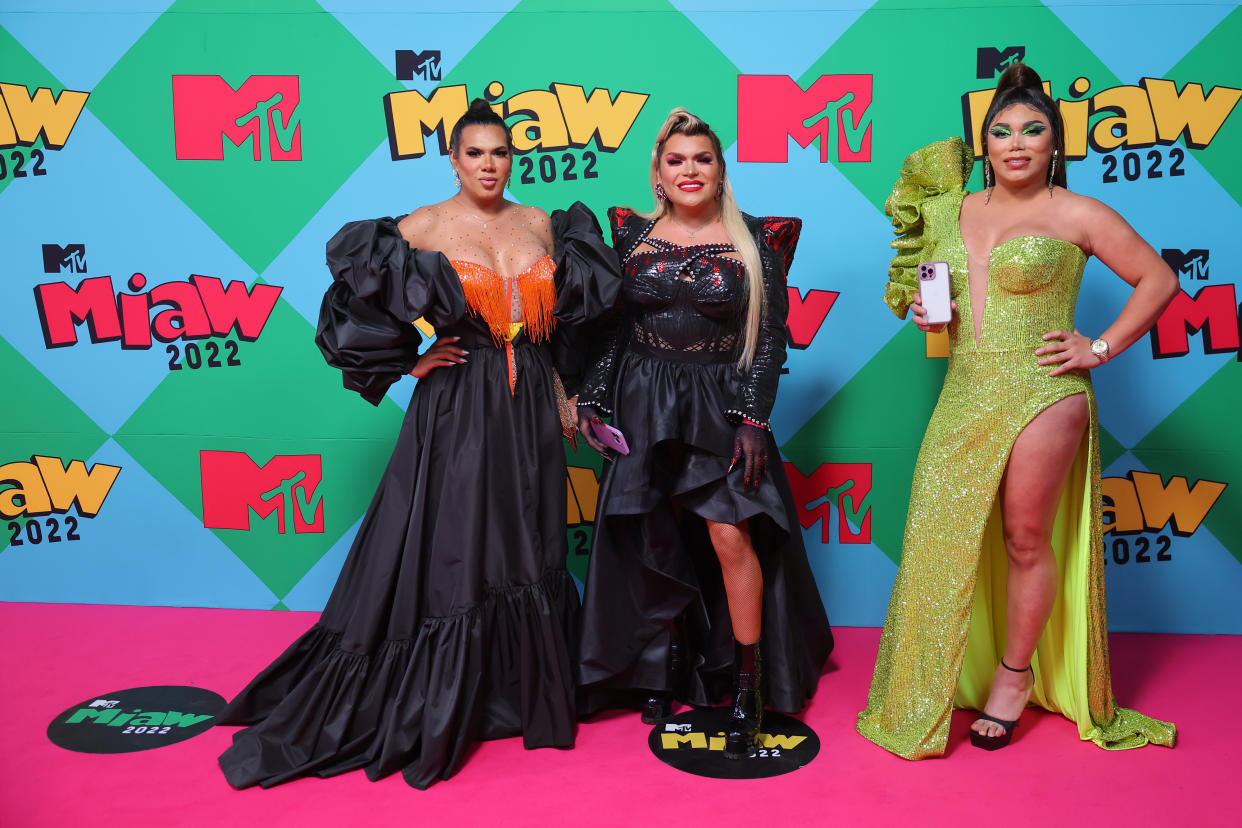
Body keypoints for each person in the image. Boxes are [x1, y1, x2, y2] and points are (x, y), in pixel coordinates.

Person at [215, 99, 621, 789]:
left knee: (532, 537)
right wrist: (408, 361)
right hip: (461, 404)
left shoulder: (546, 225)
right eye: (475, 153)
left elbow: (575, 324)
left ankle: (523, 692)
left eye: (500, 152)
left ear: (512, 158)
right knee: (461, 545)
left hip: (533, 414)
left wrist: (570, 392)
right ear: (454, 159)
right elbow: (352, 302)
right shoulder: (423, 227)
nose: (489, 165)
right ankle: (445, 696)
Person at [857, 63, 1178, 757]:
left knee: (1025, 538)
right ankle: (926, 685)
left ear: (1054, 143)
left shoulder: (1078, 213)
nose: (1016, 143)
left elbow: (1160, 278)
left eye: (1033, 130)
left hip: (1043, 389)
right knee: (937, 539)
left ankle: (1013, 676)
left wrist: (1100, 345)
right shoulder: (950, 209)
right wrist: (923, 313)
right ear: (988, 143)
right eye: (1001, 131)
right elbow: (938, 304)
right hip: (964, 386)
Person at [575, 108, 833, 759]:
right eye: (676, 160)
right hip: (643, 400)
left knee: (728, 533)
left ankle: (746, 683)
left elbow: (770, 338)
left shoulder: (755, 238)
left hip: (720, 403)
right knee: (652, 534)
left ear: (720, 170)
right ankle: (657, 668)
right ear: (658, 175)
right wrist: (594, 401)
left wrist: (753, 418)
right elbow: (611, 330)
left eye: (702, 159)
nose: (690, 170)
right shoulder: (631, 236)